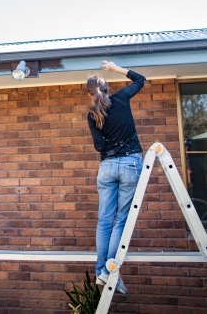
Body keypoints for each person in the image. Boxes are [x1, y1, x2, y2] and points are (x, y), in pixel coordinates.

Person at [87, 61, 146, 294]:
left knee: (104, 221)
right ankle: (108, 271)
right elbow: (141, 79)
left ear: (89, 94)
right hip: (130, 163)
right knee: (120, 220)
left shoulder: (93, 115)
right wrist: (115, 67)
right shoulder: (121, 98)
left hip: (108, 167)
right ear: (107, 87)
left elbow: (99, 145)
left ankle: (102, 269)